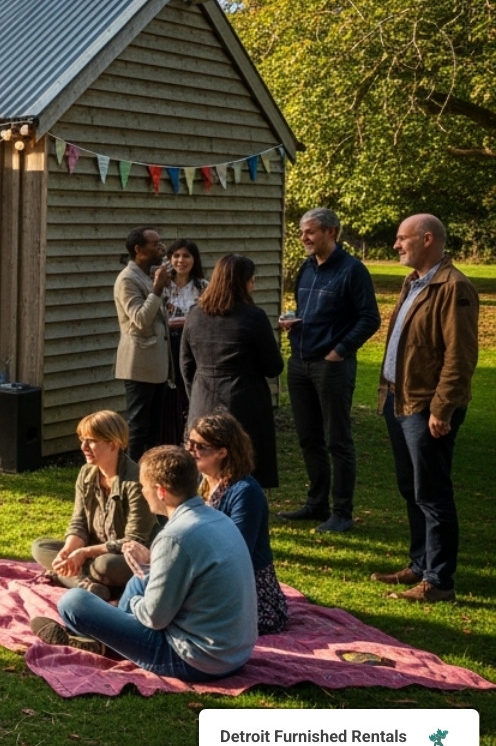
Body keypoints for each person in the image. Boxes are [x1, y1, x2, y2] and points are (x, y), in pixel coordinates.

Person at [32, 446, 257, 680]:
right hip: (234, 653)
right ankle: (110, 638)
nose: (142, 490)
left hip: (195, 659)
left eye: (143, 486)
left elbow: (154, 618)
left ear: (160, 491)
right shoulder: (218, 518)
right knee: (139, 577)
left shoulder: (175, 537)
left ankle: (104, 641)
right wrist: (150, 568)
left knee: (73, 601)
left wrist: (138, 601)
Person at [371, 213, 478, 604]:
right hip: (399, 400)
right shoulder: (415, 281)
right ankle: (419, 564)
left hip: (425, 406)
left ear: (427, 239)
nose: (396, 245)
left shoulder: (454, 287)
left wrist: (442, 408)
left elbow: (461, 357)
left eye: (402, 238)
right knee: (410, 487)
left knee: (432, 492)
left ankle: (439, 581)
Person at [277, 208, 382, 533]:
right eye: (302, 232)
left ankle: (342, 512)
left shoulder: (353, 271)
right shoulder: (306, 269)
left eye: (310, 231)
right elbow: (306, 310)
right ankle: (316, 503)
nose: (304, 238)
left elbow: (370, 318)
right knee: (309, 438)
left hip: (331, 366)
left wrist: (339, 351)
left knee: (337, 439)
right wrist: (291, 323)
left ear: (331, 232)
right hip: (300, 363)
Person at [180, 254, 284, 488]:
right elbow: (273, 366)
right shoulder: (253, 317)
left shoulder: (195, 314)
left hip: (203, 396)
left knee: (203, 457)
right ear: (245, 282)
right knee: (240, 460)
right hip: (244, 398)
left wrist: (194, 394)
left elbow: (186, 364)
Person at [178, 412, 287, 634]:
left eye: (199, 446)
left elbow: (236, 552)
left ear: (222, 451)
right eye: (189, 443)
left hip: (244, 590)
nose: (190, 451)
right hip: (205, 574)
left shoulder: (245, 493)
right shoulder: (201, 483)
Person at [29, 410, 154, 600]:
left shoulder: (136, 482)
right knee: (40, 547)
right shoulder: (86, 473)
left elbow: (134, 541)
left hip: (126, 557)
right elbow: (79, 522)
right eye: (82, 440)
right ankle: (87, 585)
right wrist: (69, 550)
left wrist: (84, 553)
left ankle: (69, 576)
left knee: (105, 566)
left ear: (113, 443)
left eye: (91, 441)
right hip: (91, 552)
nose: (83, 447)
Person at [114, 227, 173, 462]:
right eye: (154, 243)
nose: (161, 247)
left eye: (161, 241)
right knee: (139, 426)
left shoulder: (148, 273)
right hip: (139, 364)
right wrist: (157, 290)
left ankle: (151, 472)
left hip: (157, 364)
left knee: (155, 426)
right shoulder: (127, 279)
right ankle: (132, 476)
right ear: (138, 250)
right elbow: (138, 320)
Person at [159, 240, 207, 444]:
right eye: (176, 256)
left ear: (194, 260)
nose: (181, 260)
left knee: (188, 391)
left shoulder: (203, 286)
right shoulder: (162, 285)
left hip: (192, 346)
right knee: (169, 395)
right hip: (166, 345)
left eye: (186, 256)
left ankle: (189, 438)